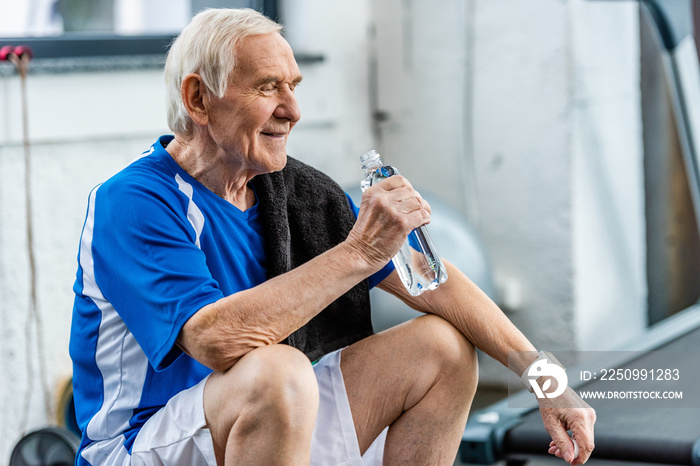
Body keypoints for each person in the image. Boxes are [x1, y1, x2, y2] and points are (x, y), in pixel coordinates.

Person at [69, 7, 595, 466]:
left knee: (444, 349)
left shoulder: (296, 194)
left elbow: (431, 281)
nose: (292, 110)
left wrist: (546, 379)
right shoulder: (134, 201)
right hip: (141, 443)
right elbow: (216, 340)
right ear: (199, 99)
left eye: (293, 86)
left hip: (267, 417)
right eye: (266, 87)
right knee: (278, 371)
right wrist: (360, 252)